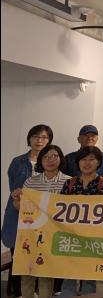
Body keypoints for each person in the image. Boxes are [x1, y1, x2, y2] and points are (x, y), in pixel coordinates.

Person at [12, 145, 70, 298]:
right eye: (45, 157)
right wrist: (16, 199)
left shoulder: (69, 181)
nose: (50, 160)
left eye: (54, 156)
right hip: (30, 233)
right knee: (27, 273)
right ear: (40, 161)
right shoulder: (31, 182)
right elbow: (20, 208)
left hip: (53, 235)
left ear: (61, 159)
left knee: (46, 275)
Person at [2, 124, 53, 298]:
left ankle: (38, 292)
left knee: (41, 254)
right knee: (19, 255)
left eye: (44, 137)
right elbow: (13, 187)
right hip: (18, 212)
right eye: (36, 136)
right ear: (29, 139)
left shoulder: (51, 161)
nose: (39, 140)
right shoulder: (18, 162)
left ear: (49, 141)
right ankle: (18, 293)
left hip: (43, 216)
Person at [60, 146, 103, 297]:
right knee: (68, 277)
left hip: (93, 240)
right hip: (71, 237)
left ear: (99, 162)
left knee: (89, 278)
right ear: (78, 162)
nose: (87, 163)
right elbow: (58, 209)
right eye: (83, 159)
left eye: (91, 159)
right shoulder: (69, 184)